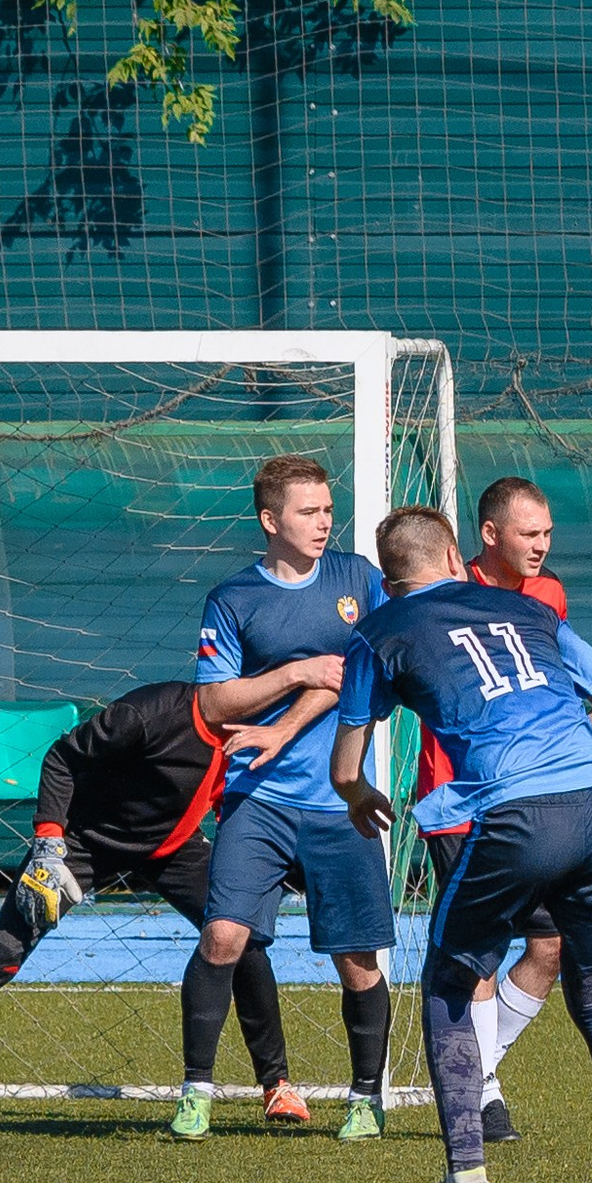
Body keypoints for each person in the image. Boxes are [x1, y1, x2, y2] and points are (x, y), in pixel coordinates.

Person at [331, 503, 592, 1183]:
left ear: (386, 576)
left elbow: (346, 767)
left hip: (518, 818)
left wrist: (361, 795)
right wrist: (563, 759)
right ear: (455, 552)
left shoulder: (376, 633)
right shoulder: (522, 607)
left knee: (447, 984)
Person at [0, 679, 325, 1127]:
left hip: (172, 846)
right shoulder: (146, 713)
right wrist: (49, 845)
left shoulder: (261, 730)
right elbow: (61, 759)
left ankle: (276, 1086)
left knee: (239, 939)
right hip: (80, 842)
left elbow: (226, 793)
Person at [194, 454, 397, 1140]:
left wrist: (284, 721)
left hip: (342, 802)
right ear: (270, 520)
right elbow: (217, 701)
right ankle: (196, 1091)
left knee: (356, 960)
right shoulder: (232, 599)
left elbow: (369, 674)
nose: (325, 521)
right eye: (308, 511)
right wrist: (298, 671)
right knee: (222, 936)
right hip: (258, 800)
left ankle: (365, 1097)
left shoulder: (359, 581)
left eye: (328, 509)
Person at [410, 476, 571, 1144]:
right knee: (479, 952)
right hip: (459, 802)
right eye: (529, 533)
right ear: (489, 535)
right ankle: (484, 1092)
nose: (541, 545)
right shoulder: (442, 600)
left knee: (550, 943)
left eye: (548, 534)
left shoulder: (551, 597)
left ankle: (473, 1070)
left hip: (529, 802)